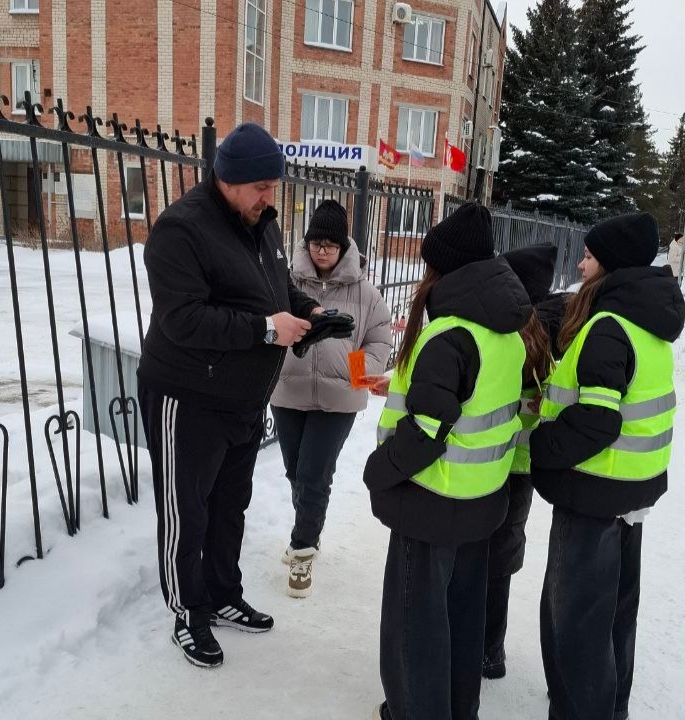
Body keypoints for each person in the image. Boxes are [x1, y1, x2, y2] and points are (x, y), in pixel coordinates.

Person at [137, 123, 323, 669]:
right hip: (187, 396)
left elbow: (275, 290)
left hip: (242, 397)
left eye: (273, 186)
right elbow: (183, 320)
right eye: (262, 187)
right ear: (228, 179)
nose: (270, 197)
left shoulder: (261, 223)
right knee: (187, 510)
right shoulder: (180, 230)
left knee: (229, 506)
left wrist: (309, 311)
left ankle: (221, 593)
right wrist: (267, 330)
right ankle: (187, 610)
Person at [362, 202, 532, 720]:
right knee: (461, 622)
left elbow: (427, 432)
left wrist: (379, 471)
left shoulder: (449, 334)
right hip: (481, 500)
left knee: (415, 627)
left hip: (431, 502)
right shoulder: (505, 333)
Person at [529, 212, 685, 720]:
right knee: (615, 614)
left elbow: (597, 421)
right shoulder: (646, 321)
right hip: (630, 490)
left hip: (594, 494)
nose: (580, 264)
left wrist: (540, 444)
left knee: (575, 622)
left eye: (590, 256)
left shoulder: (608, 327)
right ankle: (610, 708)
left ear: (610, 264)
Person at [269, 199, 393, 598]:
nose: (322, 251)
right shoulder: (287, 284)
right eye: (316, 243)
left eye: (330, 244)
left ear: (343, 247)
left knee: (313, 474)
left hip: (338, 400)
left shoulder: (365, 292)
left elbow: (380, 338)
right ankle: (309, 526)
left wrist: (354, 373)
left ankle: (303, 549)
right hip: (289, 392)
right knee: (295, 471)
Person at [482, 244, 567, 680]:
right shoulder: (550, 332)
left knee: (479, 553)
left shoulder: (514, 333)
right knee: (502, 555)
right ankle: (491, 650)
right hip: (523, 465)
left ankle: (477, 644)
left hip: (491, 461)